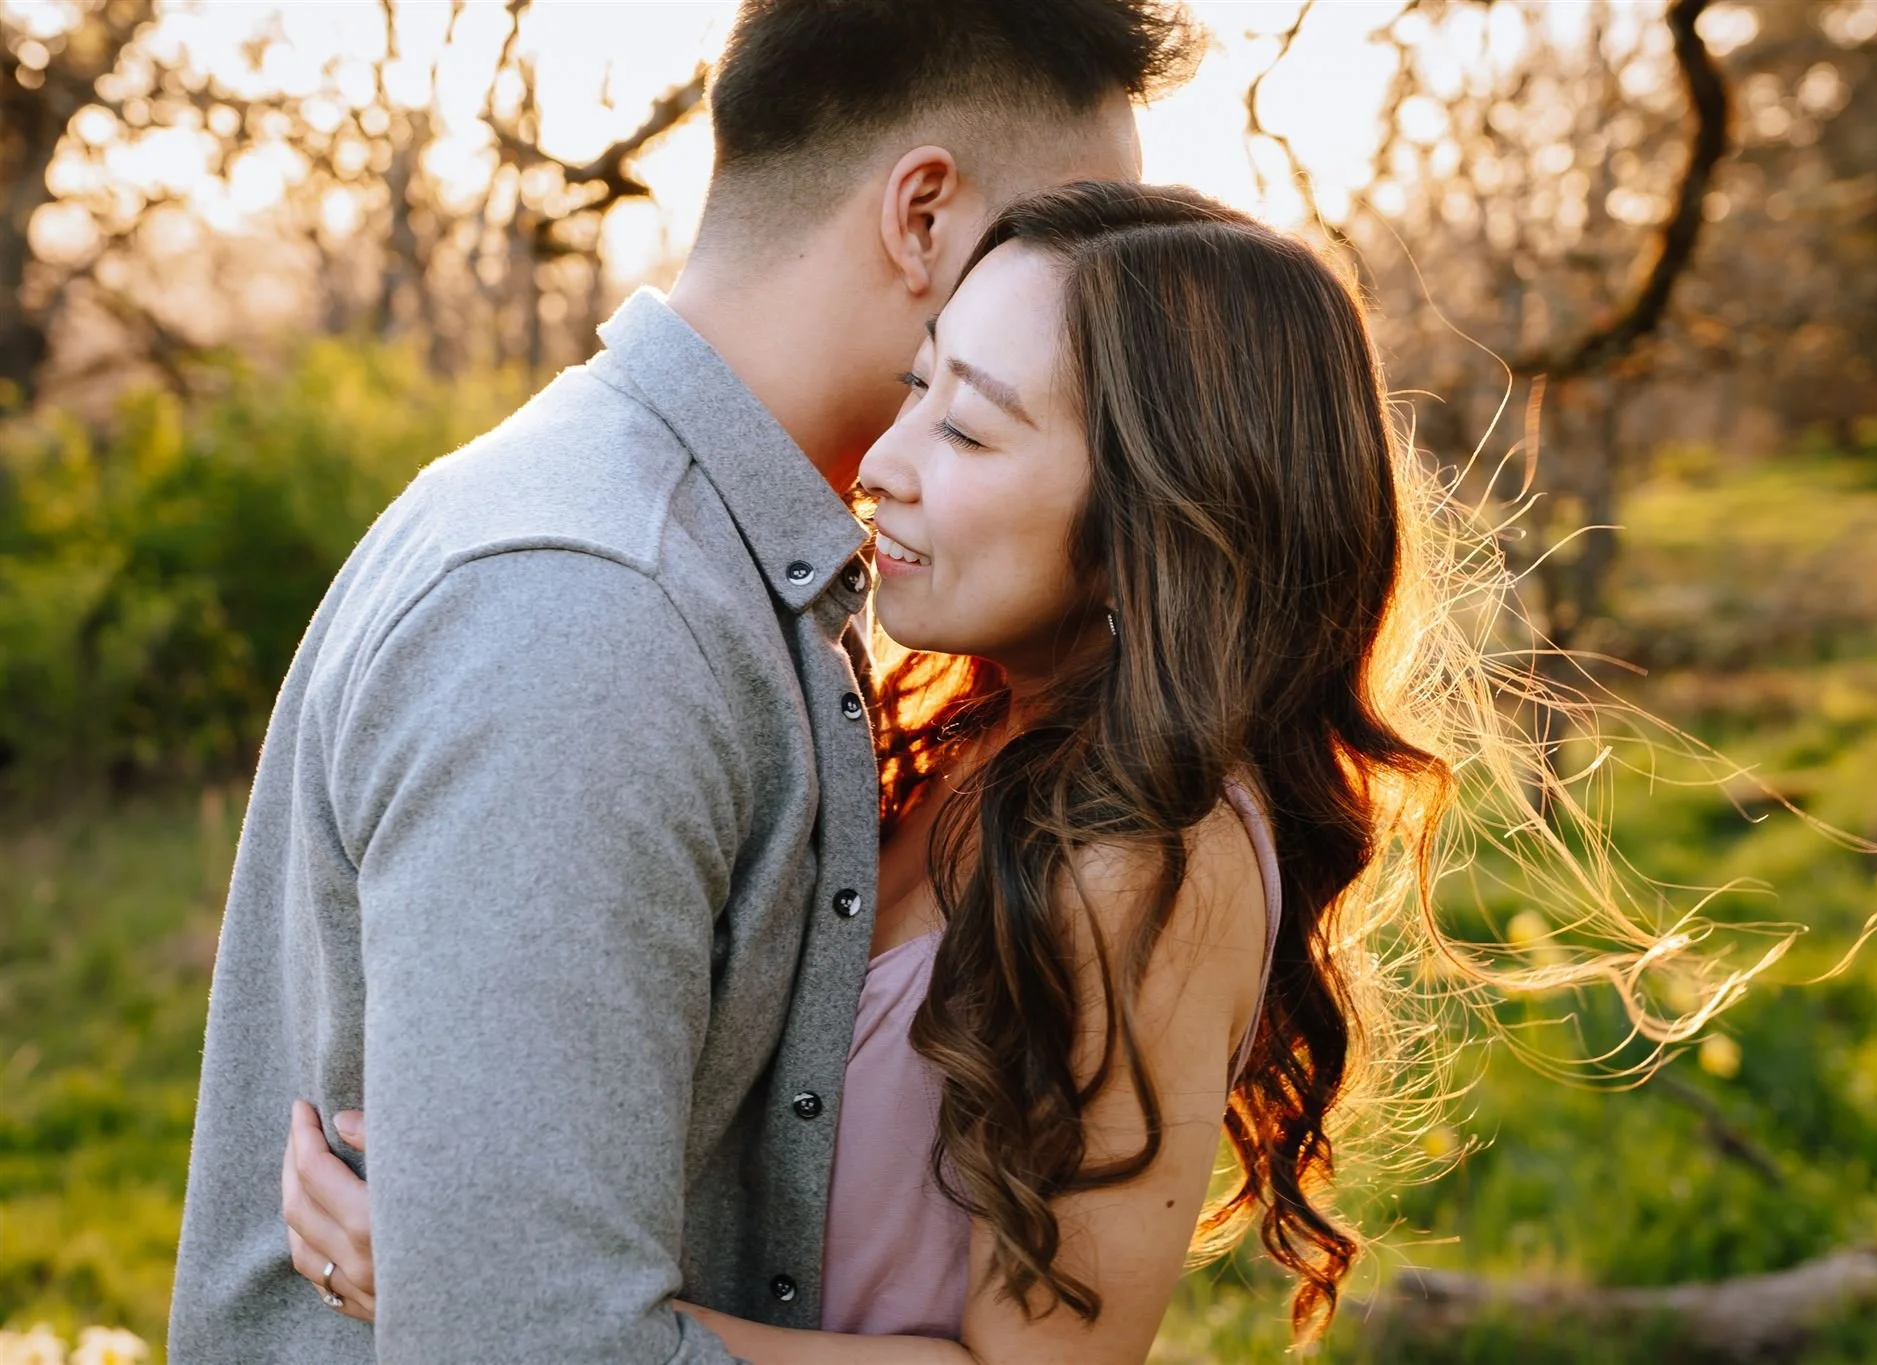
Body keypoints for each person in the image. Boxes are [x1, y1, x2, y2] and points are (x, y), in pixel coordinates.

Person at [285, 181, 1770, 1361]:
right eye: (919, 384)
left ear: (1158, 518)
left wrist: (498, 1308)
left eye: (973, 425)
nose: (887, 461)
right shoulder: (943, 721)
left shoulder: (1156, 860)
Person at [166, 4, 1199, 1362]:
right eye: (1048, 243)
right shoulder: (593, 606)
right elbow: (529, 1345)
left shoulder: (741, 573)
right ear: (927, 218)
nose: (1089, 302)